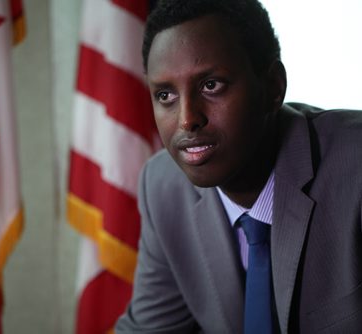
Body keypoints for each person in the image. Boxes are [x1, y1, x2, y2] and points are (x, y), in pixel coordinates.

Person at [115, 0, 362, 333]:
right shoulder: (163, 187)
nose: (187, 120)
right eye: (165, 95)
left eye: (211, 85)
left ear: (273, 87)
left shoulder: (355, 166)